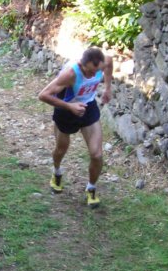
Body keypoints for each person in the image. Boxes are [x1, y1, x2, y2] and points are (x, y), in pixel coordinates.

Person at [38, 47, 113, 207]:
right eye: (90, 72)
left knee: (97, 154)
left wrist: (107, 88)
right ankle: (57, 172)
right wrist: (69, 106)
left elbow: (109, 64)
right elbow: (43, 95)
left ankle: (91, 188)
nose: (93, 75)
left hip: (88, 108)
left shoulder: (103, 62)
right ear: (81, 64)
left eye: (96, 71)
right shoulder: (71, 73)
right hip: (66, 111)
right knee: (61, 150)